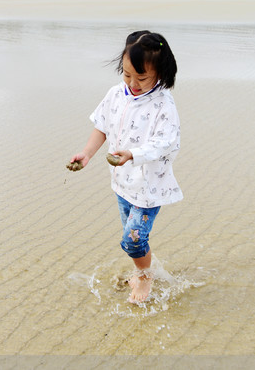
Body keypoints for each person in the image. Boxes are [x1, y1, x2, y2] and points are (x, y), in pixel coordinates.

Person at [69, 30, 182, 303]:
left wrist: (132, 153)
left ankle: (144, 277)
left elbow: (165, 142)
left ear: (161, 73)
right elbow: (102, 128)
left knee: (132, 240)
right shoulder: (115, 95)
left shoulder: (163, 105)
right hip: (122, 183)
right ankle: (141, 268)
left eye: (142, 78)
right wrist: (86, 154)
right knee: (132, 239)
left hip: (148, 187)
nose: (132, 83)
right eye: (127, 74)